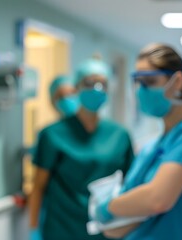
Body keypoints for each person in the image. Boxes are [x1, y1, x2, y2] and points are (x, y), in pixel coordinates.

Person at [93, 44, 182, 240]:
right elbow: (117, 226)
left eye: (150, 81)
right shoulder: (150, 148)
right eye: (138, 82)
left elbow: (156, 199)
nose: (141, 90)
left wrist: (108, 206)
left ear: (176, 81)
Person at [28, 58, 134, 240]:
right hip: (61, 230)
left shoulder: (120, 135)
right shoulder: (52, 134)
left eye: (103, 84)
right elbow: (38, 187)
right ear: (76, 88)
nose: (97, 88)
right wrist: (33, 228)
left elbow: (130, 185)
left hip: (107, 229)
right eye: (90, 83)